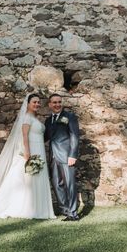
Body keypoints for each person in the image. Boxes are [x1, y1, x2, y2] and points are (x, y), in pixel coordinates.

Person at [44, 93, 80, 221]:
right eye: (54, 102)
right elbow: (46, 137)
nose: (57, 104)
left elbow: (74, 136)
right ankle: (65, 210)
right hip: (53, 157)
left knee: (69, 184)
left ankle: (73, 213)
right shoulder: (48, 121)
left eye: (59, 102)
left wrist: (72, 155)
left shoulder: (69, 117)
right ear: (50, 104)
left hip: (66, 156)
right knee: (56, 184)